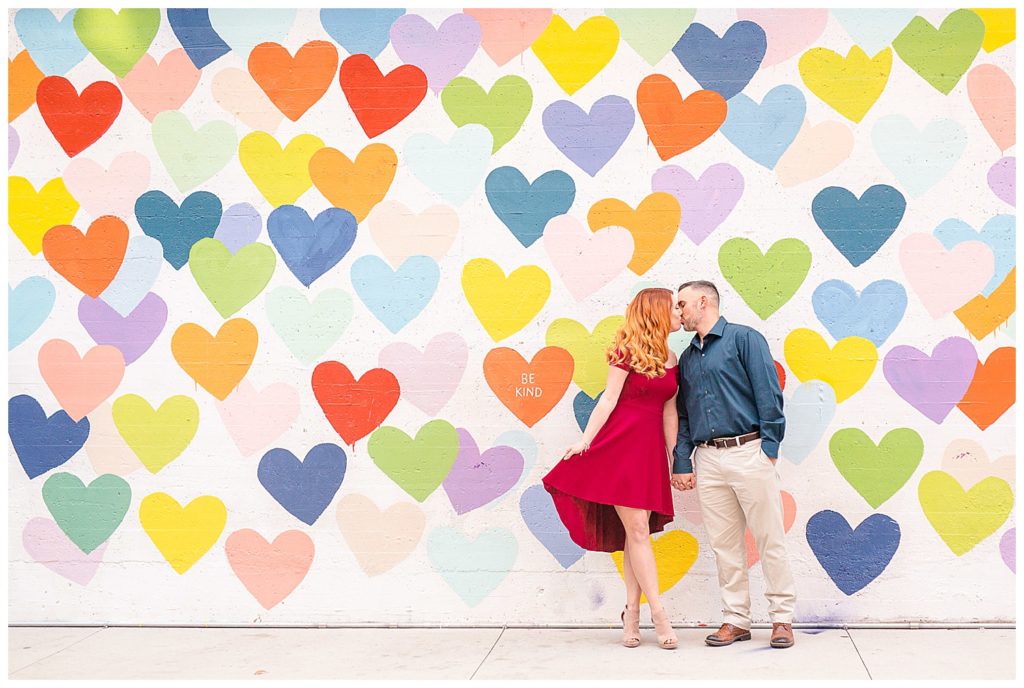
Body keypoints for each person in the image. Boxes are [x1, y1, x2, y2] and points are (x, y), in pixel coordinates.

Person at [543, 288, 683, 650]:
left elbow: (670, 411)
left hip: (649, 453)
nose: (680, 313)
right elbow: (607, 400)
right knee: (637, 530)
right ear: (656, 312)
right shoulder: (625, 352)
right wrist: (586, 440)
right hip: (620, 448)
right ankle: (659, 614)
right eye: (674, 308)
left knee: (636, 536)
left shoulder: (672, 356)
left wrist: (674, 458)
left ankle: (631, 614)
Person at [669, 280, 797, 649]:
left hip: (749, 451)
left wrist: (768, 447)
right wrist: (682, 460)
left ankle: (782, 620)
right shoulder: (689, 358)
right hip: (708, 458)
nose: (679, 312)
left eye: (683, 304)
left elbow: (768, 394)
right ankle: (736, 619)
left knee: (769, 538)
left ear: (703, 302)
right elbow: (685, 414)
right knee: (724, 545)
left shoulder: (745, 339)